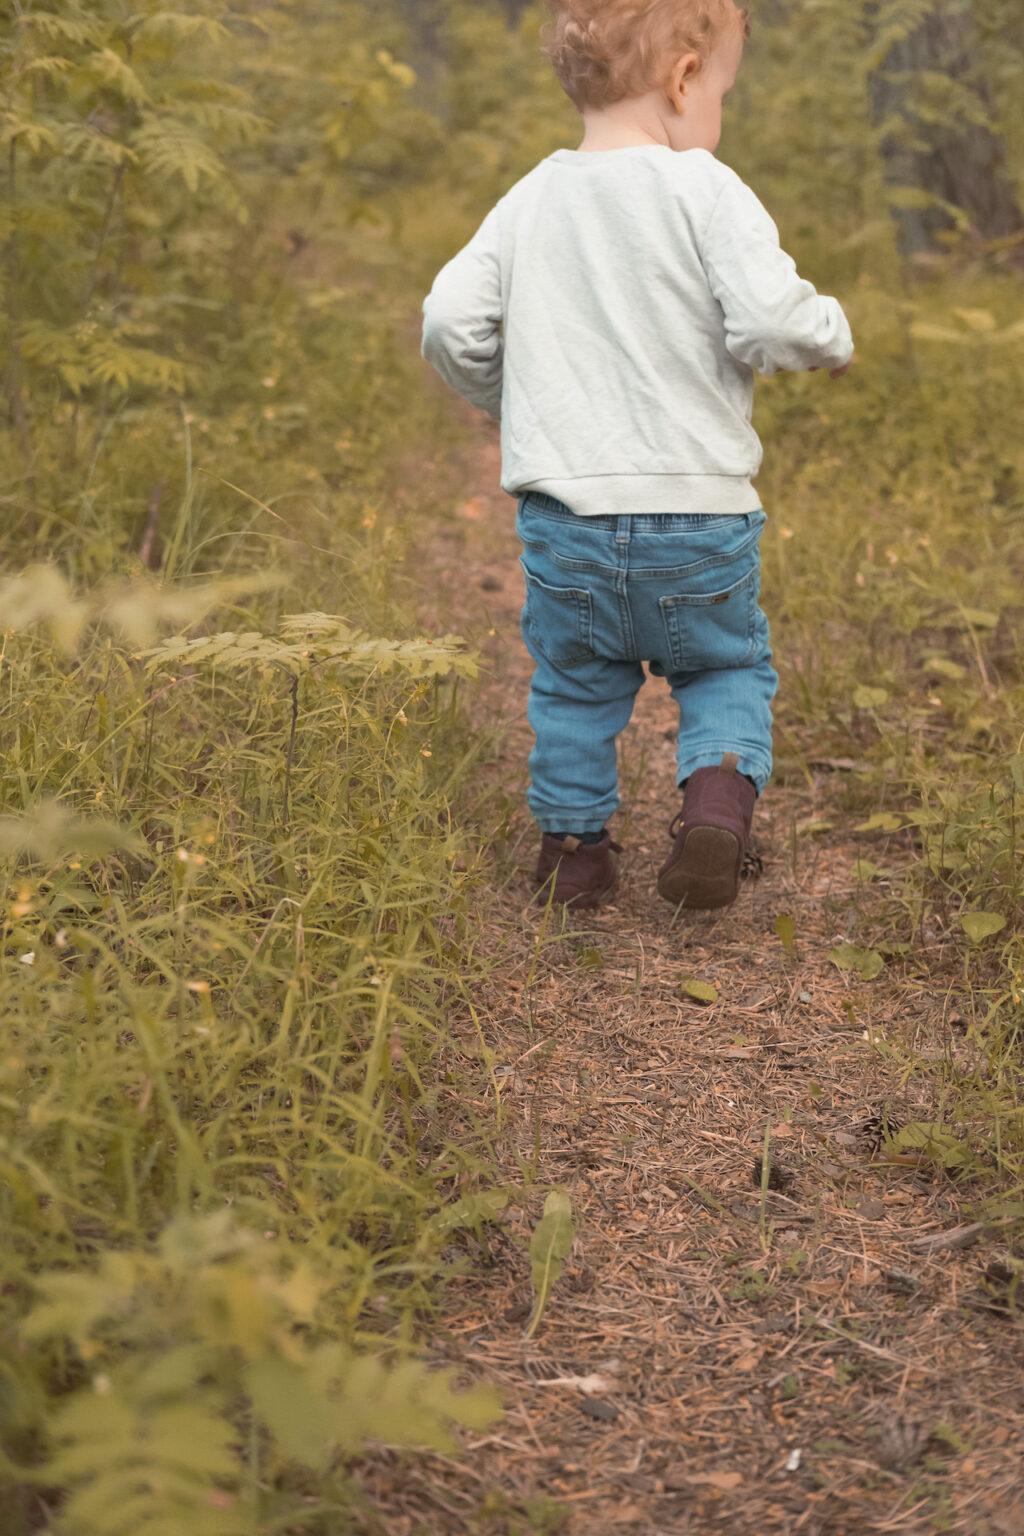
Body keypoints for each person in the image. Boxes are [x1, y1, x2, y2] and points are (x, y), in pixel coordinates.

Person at [421, 0, 853, 912]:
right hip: (701, 519)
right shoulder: (706, 188)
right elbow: (774, 319)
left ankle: (574, 859)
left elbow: (450, 324)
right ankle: (717, 804)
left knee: (575, 689)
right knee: (725, 667)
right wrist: (830, 335)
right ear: (685, 77)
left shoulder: (529, 198)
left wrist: (515, 403)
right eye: (724, 88)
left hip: (568, 522)